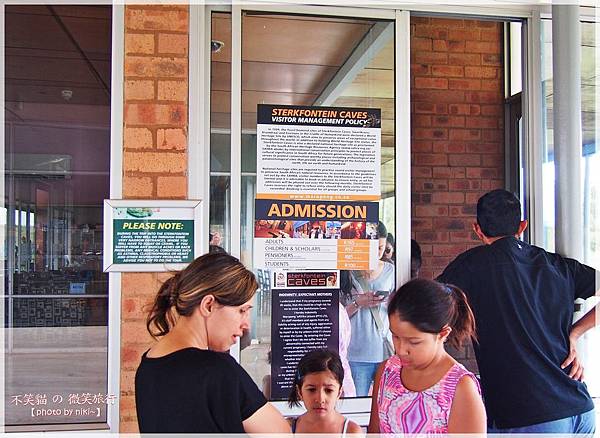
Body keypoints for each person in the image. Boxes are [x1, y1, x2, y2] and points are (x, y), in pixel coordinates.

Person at [438, 189, 598, 433]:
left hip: (528, 415)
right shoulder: (557, 264)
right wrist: (575, 333)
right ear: (522, 226)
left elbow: (426, 303)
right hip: (580, 408)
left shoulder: (470, 266)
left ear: (477, 229)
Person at [135, 252, 290, 433]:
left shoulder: (148, 364)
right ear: (208, 305)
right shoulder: (217, 371)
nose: (246, 324)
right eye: (241, 311)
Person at [368, 279, 486, 434]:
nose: (401, 349)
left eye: (414, 341)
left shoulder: (461, 387)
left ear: (443, 334)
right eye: (395, 336)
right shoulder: (387, 371)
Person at [342, 221, 395, 396]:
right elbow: (339, 316)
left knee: (384, 403)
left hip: (383, 348)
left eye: (381, 247)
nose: (378, 253)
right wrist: (358, 303)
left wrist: (390, 302)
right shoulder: (347, 271)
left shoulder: (392, 271)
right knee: (358, 402)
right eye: (374, 248)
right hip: (356, 351)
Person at [288, 349, 362, 435]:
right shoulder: (287, 429)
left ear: (339, 392)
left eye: (329, 390)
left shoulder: (351, 432)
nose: (320, 399)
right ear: (300, 392)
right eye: (311, 390)